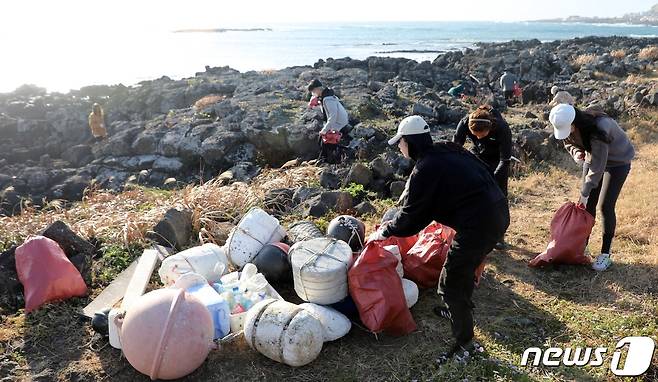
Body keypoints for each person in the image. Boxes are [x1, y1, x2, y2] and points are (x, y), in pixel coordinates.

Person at [369, 115, 510, 362]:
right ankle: (458, 310)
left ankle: (464, 341)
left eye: (401, 143)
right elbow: (480, 172)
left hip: (479, 224)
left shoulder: (426, 167)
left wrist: (385, 231)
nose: (400, 147)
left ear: (410, 142)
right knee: (462, 269)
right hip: (498, 211)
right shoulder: (447, 149)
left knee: (450, 281)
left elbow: (412, 218)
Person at [549, 104, 635, 271]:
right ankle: (582, 248)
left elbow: (598, 167)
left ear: (575, 122)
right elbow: (568, 143)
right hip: (592, 158)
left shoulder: (599, 129)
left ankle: (605, 255)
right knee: (587, 207)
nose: (568, 132)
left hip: (617, 162)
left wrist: (585, 190)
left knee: (605, 206)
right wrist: (576, 153)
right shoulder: (567, 125)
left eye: (569, 129)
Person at [453, 104, 512, 248]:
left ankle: (499, 235)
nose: (478, 137)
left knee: (498, 196)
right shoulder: (465, 123)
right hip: (477, 156)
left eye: (481, 134)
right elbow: (455, 148)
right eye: (475, 135)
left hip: (497, 158)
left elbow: (505, 161)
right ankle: (472, 230)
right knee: (472, 193)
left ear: (490, 128)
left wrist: (493, 179)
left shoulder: (502, 129)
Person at [307, 79, 350, 163]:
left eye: (313, 91)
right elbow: (326, 110)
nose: (313, 94)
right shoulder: (325, 96)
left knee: (325, 139)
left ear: (317, 89)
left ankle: (326, 160)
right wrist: (315, 104)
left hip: (339, 122)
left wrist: (324, 130)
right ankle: (323, 159)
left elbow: (333, 116)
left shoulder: (328, 99)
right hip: (337, 121)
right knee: (321, 138)